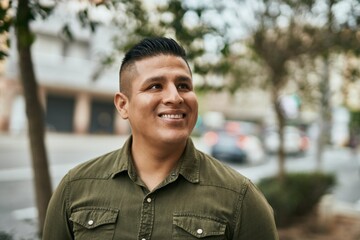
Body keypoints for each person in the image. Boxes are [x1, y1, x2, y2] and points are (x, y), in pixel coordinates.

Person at [43, 37, 278, 239]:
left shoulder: (240, 197)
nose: (175, 97)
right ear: (123, 105)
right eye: (156, 86)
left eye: (184, 85)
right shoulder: (75, 187)